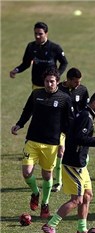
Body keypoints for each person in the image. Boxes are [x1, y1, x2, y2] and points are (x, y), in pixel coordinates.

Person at [42, 91, 95, 233]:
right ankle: (50, 225)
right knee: (76, 200)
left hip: (81, 163)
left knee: (88, 195)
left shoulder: (86, 114)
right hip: (73, 163)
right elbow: (80, 138)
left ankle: (81, 230)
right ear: (94, 103)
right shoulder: (86, 117)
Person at [11, 67, 74, 219]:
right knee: (27, 173)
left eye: (52, 81)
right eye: (47, 81)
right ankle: (35, 193)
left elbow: (69, 123)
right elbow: (27, 111)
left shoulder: (64, 99)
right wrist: (19, 124)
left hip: (51, 144)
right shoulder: (36, 94)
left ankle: (45, 203)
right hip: (32, 140)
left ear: (57, 82)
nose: (49, 84)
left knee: (47, 176)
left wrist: (64, 142)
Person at [52, 67, 90, 193]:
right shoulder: (59, 89)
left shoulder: (83, 90)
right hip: (61, 129)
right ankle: (58, 182)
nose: (78, 84)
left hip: (77, 130)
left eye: (79, 81)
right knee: (60, 154)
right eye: (75, 82)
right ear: (68, 80)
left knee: (81, 154)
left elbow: (87, 109)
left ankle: (81, 174)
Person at [9, 22, 68, 89]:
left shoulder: (54, 47)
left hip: (51, 86)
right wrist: (16, 70)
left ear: (46, 34)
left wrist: (57, 75)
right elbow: (26, 63)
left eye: (40, 34)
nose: (37, 36)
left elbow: (64, 62)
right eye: (36, 33)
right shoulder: (31, 46)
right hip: (37, 85)